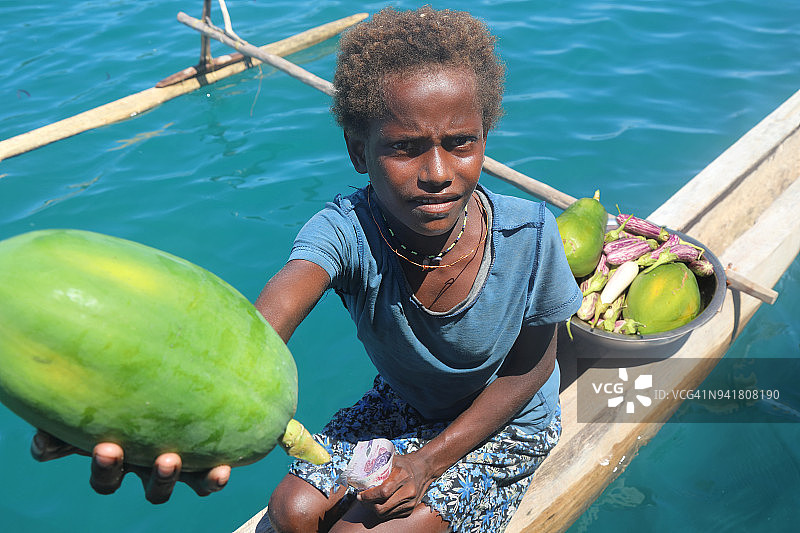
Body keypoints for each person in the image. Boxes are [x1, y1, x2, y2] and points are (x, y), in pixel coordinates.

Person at [33, 6, 581, 532]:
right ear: (357, 150)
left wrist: (427, 464)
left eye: (461, 143)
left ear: (484, 136)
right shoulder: (345, 231)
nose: (437, 172)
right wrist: (152, 419)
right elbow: (258, 331)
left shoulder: (529, 236)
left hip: (504, 426)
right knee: (292, 511)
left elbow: (528, 370)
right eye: (405, 148)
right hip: (406, 405)